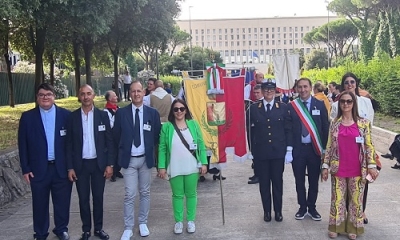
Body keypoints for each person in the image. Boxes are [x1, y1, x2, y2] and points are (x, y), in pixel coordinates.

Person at [18, 83, 72, 240]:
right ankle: (40, 233)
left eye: (48, 94)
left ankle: (61, 229)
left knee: (62, 203)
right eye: (41, 95)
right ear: (37, 97)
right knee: (39, 204)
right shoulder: (28, 117)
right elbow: (23, 145)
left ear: (54, 96)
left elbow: (71, 145)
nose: (45, 97)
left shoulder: (66, 116)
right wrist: (25, 169)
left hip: (60, 168)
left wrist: (71, 167)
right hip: (38, 169)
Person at [322, 91, 378, 240]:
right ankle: (336, 226)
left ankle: (354, 227)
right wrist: (325, 166)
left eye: (349, 101)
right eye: (343, 102)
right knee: (337, 200)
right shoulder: (334, 123)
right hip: (338, 168)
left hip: (358, 170)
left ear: (354, 104)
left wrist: (372, 165)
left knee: (356, 201)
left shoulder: (363, 123)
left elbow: (369, 146)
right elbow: (329, 146)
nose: (345, 104)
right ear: (339, 104)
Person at [113, 81, 161, 239]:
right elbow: (116, 136)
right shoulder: (121, 113)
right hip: (130, 161)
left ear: (144, 92)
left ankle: (142, 222)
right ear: (130, 94)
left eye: (139, 91)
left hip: (145, 160)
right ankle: (128, 227)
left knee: (145, 192)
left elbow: (156, 135)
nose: (136, 94)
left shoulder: (152, 113)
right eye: (133, 91)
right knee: (130, 194)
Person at [66, 84, 115, 240]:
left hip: (98, 164)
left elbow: (109, 142)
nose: (86, 97)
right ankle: (86, 230)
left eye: (89, 93)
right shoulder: (72, 117)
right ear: (79, 96)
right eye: (83, 94)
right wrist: (70, 167)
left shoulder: (103, 116)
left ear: (94, 96)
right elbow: (69, 145)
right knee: (83, 199)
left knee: (98, 198)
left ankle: (98, 229)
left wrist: (110, 164)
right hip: (80, 165)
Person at [157, 99, 208, 234]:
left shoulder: (194, 124)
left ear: (186, 110)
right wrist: (161, 166)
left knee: (191, 194)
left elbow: (201, 145)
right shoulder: (166, 127)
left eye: (181, 109)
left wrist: (204, 162)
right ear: (172, 112)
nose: (179, 111)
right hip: (174, 166)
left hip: (192, 165)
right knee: (177, 195)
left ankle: (190, 220)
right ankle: (178, 221)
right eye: (176, 109)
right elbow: (162, 148)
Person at [330, 72, 375, 224]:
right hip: (343, 151)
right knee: (342, 189)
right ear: (343, 85)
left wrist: (370, 154)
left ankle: (361, 212)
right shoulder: (337, 104)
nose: (350, 84)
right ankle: (345, 215)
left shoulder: (366, 102)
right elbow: (334, 126)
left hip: (361, 150)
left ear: (356, 84)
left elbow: (370, 125)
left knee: (361, 185)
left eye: (352, 82)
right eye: (346, 82)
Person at [246, 82, 293, 222]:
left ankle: (278, 211)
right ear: (262, 91)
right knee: (264, 184)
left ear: (275, 91)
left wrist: (289, 149)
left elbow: (288, 129)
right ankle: (267, 211)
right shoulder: (253, 108)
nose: (268, 92)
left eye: (271, 90)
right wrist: (251, 150)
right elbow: (249, 131)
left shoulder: (283, 108)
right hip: (261, 152)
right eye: (266, 90)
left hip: (278, 152)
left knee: (278, 183)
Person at [287, 78, 329, 221]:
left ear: (311, 88)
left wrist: (325, 150)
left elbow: (325, 128)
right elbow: (288, 129)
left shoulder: (320, 104)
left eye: (305, 86)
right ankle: (302, 207)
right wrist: (288, 149)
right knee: (299, 180)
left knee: (313, 180)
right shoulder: (292, 106)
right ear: (297, 89)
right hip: (298, 150)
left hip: (314, 149)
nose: (303, 89)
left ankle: (312, 207)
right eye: (300, 87)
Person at [104, 90, 123, 182]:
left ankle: (118, 169)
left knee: (120, 153)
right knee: (113, 153)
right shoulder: (106, 111)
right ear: (110, 99)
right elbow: (110, 124)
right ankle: (113, 172)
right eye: (114, 96)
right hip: (112, 135)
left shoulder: (117, 108)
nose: (116, 97)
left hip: (119, 134)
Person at [247, 84, 264, 184]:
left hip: (259, 133)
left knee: (258, 154)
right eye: (255, 93)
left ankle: (259, 175)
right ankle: (256, 173)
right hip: (252, 133)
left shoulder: (262, 104)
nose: (256, 95)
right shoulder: (253, 105)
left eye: (258, 93)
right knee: (253, 153)